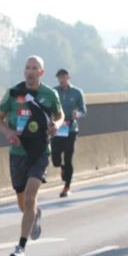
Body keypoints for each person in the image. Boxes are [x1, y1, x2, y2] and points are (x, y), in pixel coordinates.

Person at [0, 55, 63, 256]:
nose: (30, 71)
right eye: (27, 68)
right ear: (24, 71)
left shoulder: (49, 94)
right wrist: (8, 133)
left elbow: (60, 116)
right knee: (23, 203)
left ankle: (20, 248)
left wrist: (56, 126)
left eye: (35, 68)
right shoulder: (14, 93)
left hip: (40, 151)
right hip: (18, 153)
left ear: (41, 72)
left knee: (31, 195)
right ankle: (35, 214)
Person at [51, 68, 87, 197]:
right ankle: (62, 167)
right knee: (55, 159)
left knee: (68, 157)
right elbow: (48, 107)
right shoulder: (53, 92)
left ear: (68, 77)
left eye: (64, 77)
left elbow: (83, 110)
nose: (61, 80)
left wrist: (77, 114)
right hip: (57, 128)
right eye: (59, 77)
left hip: (71, 129)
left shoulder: (77, 92)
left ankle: (67, 187)